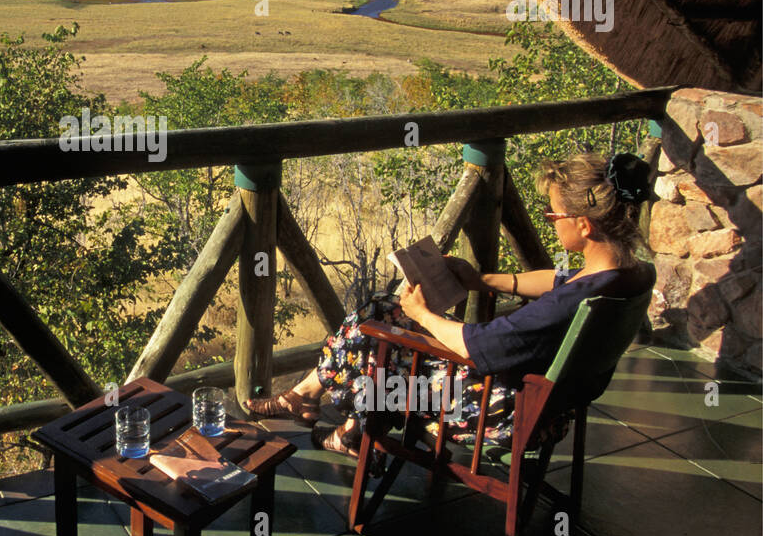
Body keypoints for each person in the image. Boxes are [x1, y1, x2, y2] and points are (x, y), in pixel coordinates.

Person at [244, 151, 656, 458]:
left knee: (373, 333)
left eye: (552, 216)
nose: (550, 221)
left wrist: (422, 315)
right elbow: (558, 279)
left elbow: (479, 346)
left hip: (499, 414)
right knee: (381, 312)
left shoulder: (570, 303)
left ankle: (349, 425)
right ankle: (319, 404)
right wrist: (482, 280)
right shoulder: (628, 276)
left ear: (583, 225)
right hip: (554, 407)